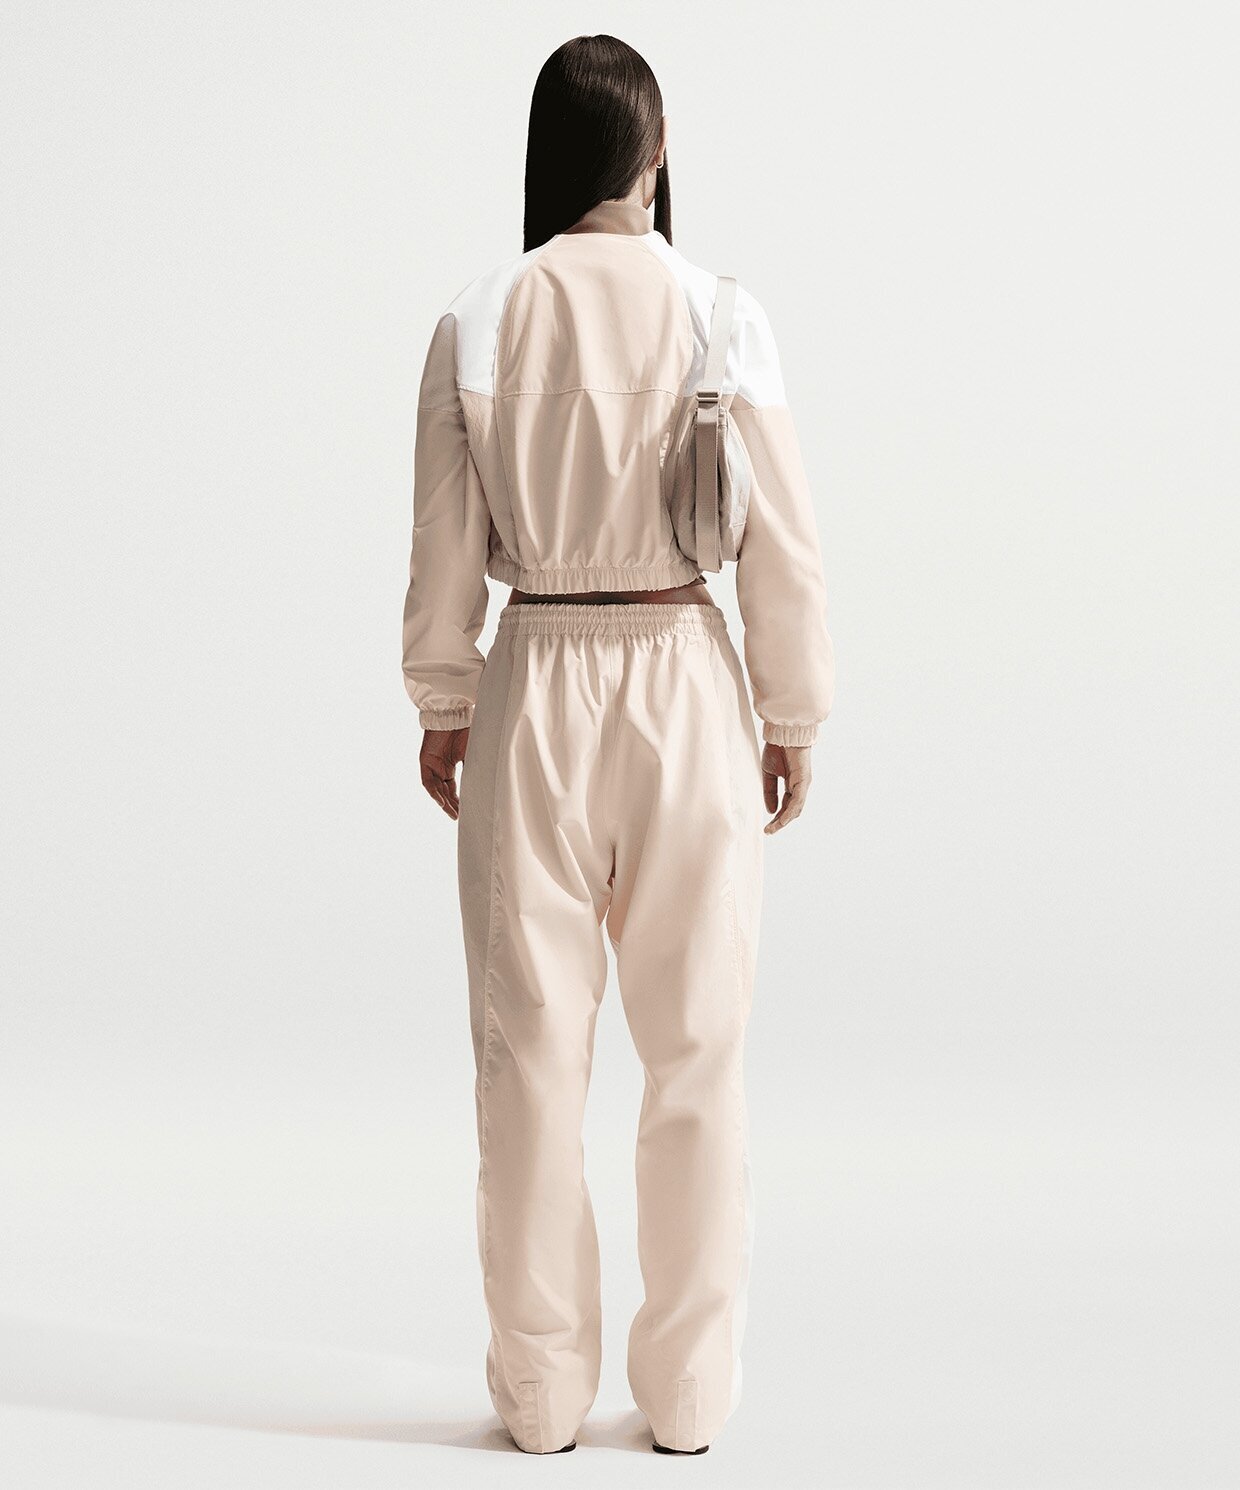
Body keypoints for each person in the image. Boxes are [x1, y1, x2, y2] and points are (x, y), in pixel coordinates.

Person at [400, 33, 835, 1457]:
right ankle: (689, 1395)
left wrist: (445, 701)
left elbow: (442, 547)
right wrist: (791, 713)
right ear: (654, 155)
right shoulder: (724, 314)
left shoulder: (477, 317)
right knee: (697, 1050)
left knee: (527, 1057)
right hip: (684, 679)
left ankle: (539, 1398)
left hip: (533, 676)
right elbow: (784, 548)